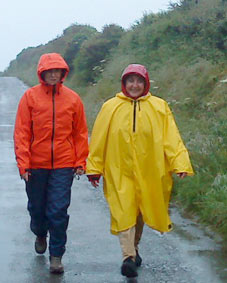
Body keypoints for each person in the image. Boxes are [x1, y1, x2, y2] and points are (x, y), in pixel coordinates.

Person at [86, 64, 194, 278]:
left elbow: (171, 137)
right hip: (118, 170)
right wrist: (94, 167)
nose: (134, 85)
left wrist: (179, 162)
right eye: (130, 81)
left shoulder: (159, 106)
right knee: (123, 209)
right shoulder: (110, 107)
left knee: (140, 212)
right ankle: (127, 257)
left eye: (139, 81)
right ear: (123, 83)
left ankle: (134, 248)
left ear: (146, 83)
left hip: (150, 170)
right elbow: (99, 138)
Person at [13, 53, 89, 274]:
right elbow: (22, 133)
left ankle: (56, 255)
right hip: (36, 165)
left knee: (58, 210)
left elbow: (80, 133)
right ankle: (39, 232)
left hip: (64, 165)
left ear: (63, 73)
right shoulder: (30, 97)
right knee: (37, 209)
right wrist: (23, 164)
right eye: (50, 71)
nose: (54, 74)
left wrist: (80, 161)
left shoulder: (73, 99)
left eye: (58, 70)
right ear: (42, 73)